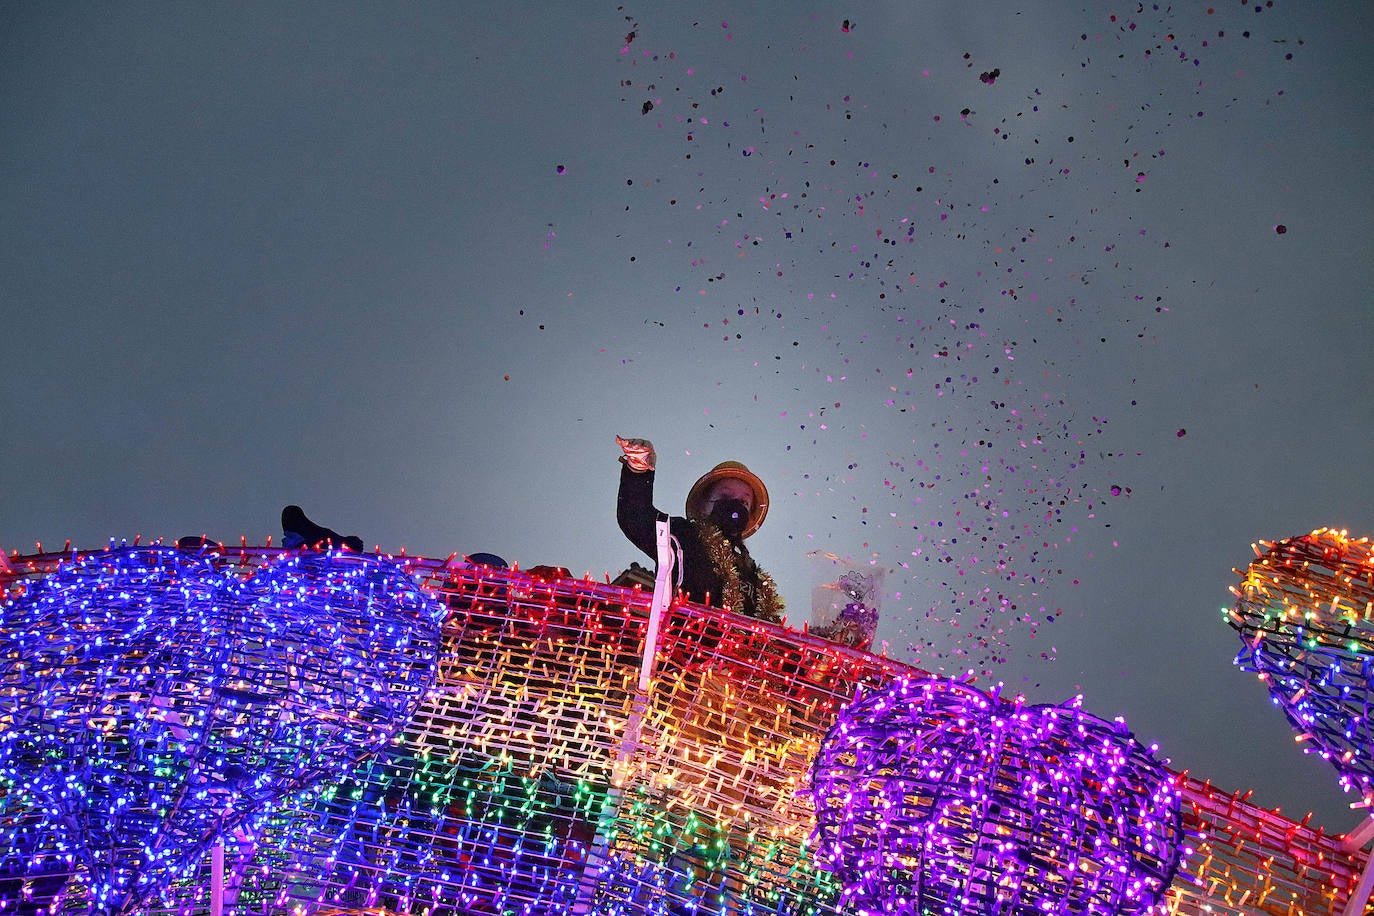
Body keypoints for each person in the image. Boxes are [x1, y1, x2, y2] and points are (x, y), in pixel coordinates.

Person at [615, 436, 782, 622]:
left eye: (744, 501)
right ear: (704, 505)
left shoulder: (752, 572)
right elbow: (635, 517)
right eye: (726, 495)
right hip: (682, 647)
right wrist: (638, 469)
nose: (735, 506)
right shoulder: (683, 536)